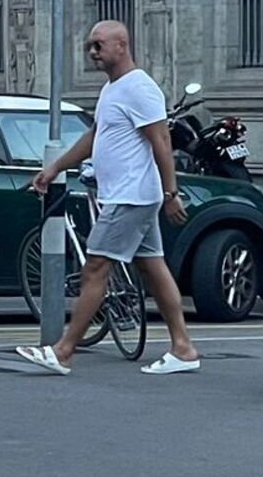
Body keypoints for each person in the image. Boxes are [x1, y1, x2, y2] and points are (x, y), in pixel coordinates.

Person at [16, 21, 202, 377]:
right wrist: (54, 168)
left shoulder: (139, 88)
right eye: (90, 46)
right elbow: (94, 136)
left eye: (98, 45)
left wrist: (171, 193)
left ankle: (64, 350)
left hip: (131, 197)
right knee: (152, 265)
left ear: (122, 45)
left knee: (95, 268)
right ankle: (183, 347)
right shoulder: (112, 89)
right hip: (127, 195)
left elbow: (161, 141)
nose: (92, 52)